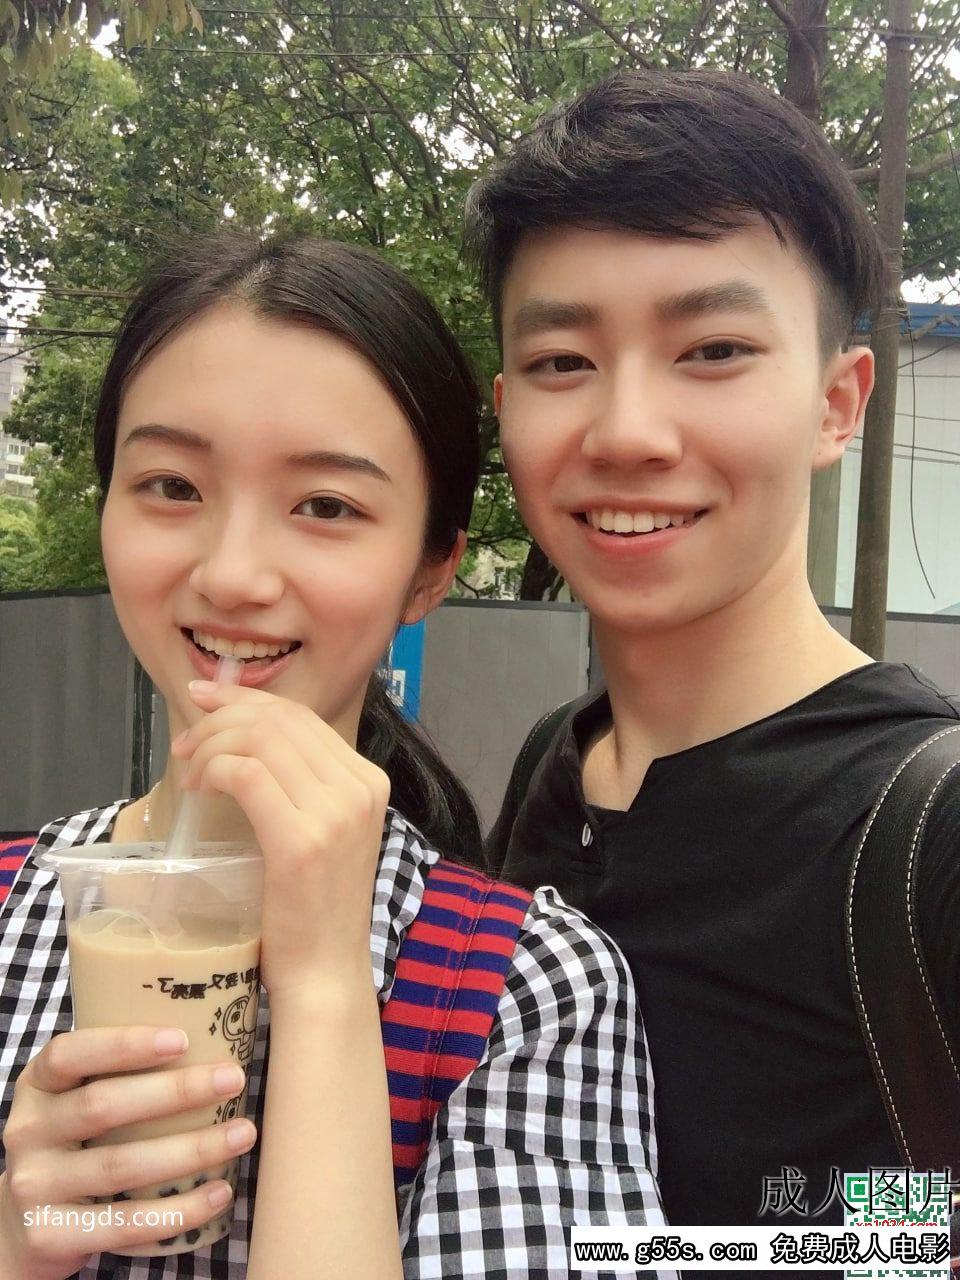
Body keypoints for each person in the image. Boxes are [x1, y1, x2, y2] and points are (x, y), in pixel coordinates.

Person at [0, 232, 667, 1280]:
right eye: (171, 484)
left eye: (326, 506)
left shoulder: (531, 989)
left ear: (430, 570)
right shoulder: (11, 916)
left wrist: (322, 985)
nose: (232, 574)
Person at [468, 67, 960, 1236]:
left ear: (838, 404)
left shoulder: (929, 834)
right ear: (506, 404)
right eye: (562, 361)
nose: (627, 432)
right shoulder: (554, 766)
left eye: (714, 349)